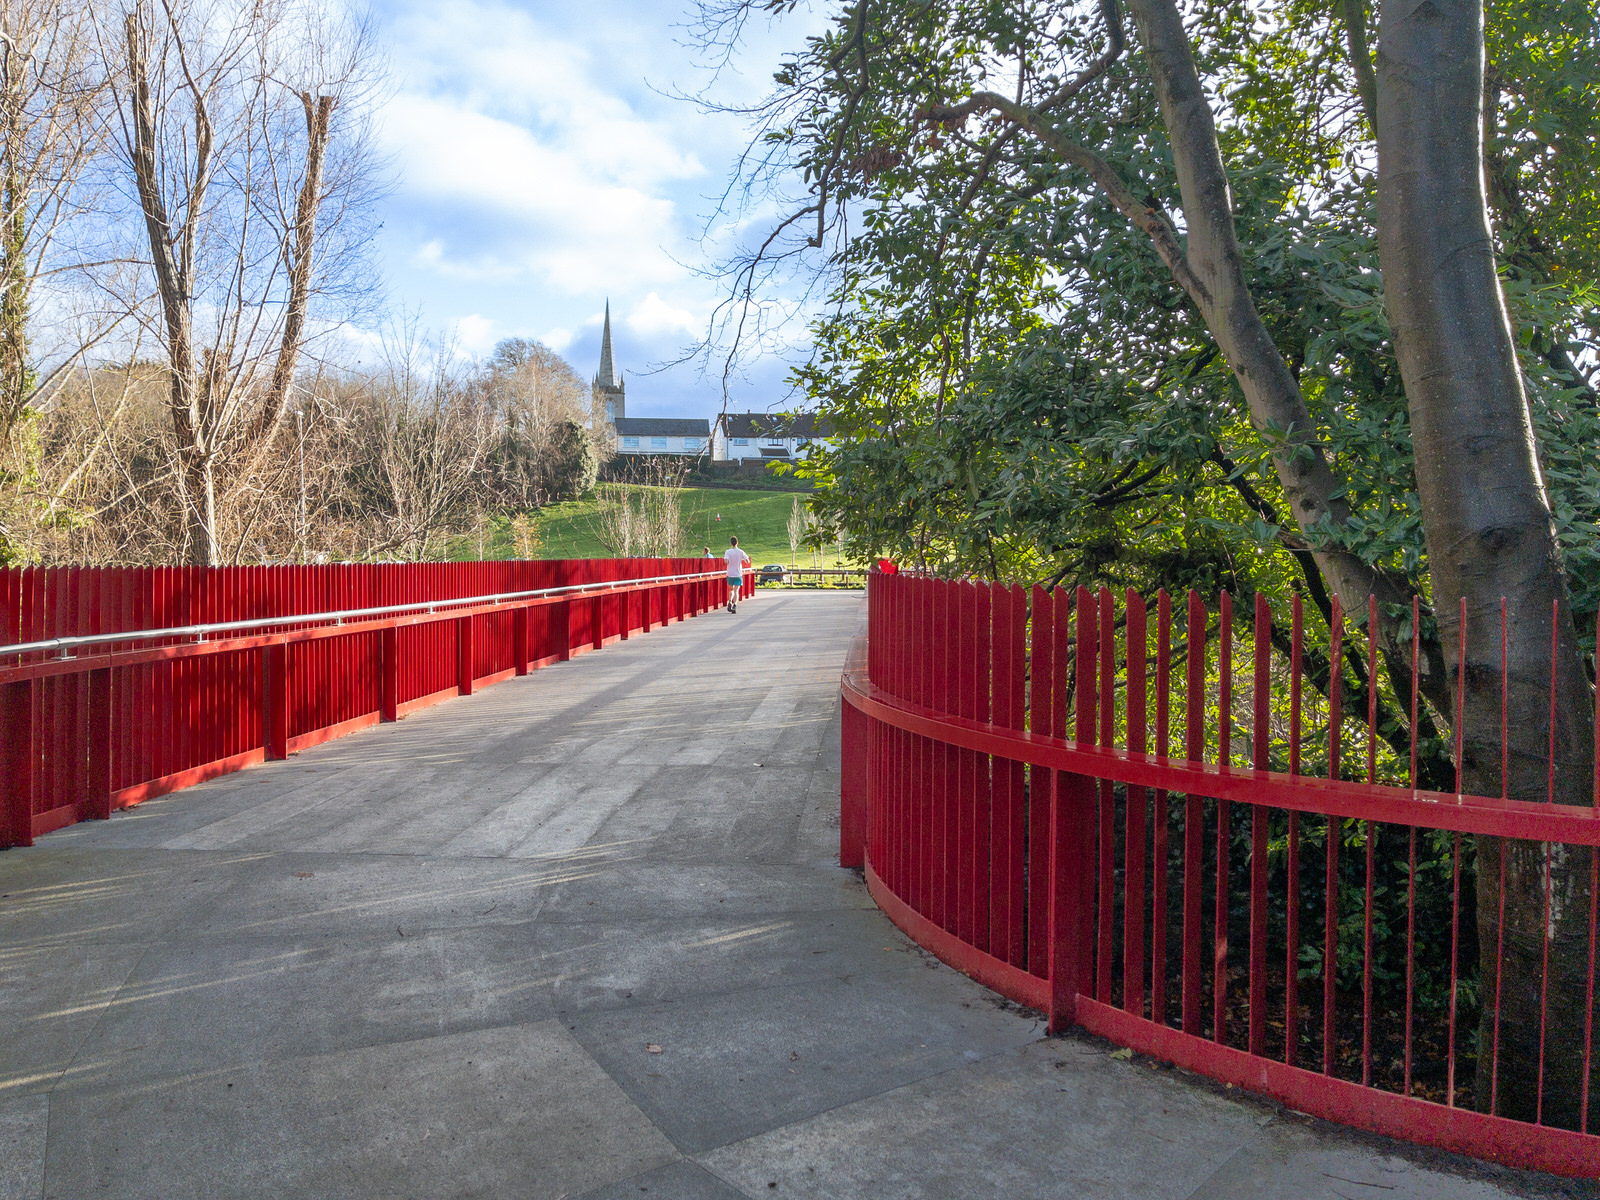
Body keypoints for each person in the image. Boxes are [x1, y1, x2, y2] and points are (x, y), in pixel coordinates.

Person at [723, 536, 750, 613]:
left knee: (731, 589)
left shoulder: (727, 552)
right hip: (738, 574)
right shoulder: (741, 552)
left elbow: (726, 562)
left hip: (730, 573)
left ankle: (730, 601)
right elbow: (747, 561)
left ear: (730, 543)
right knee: (736, 591)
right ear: (737, 543)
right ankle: (735, 605)